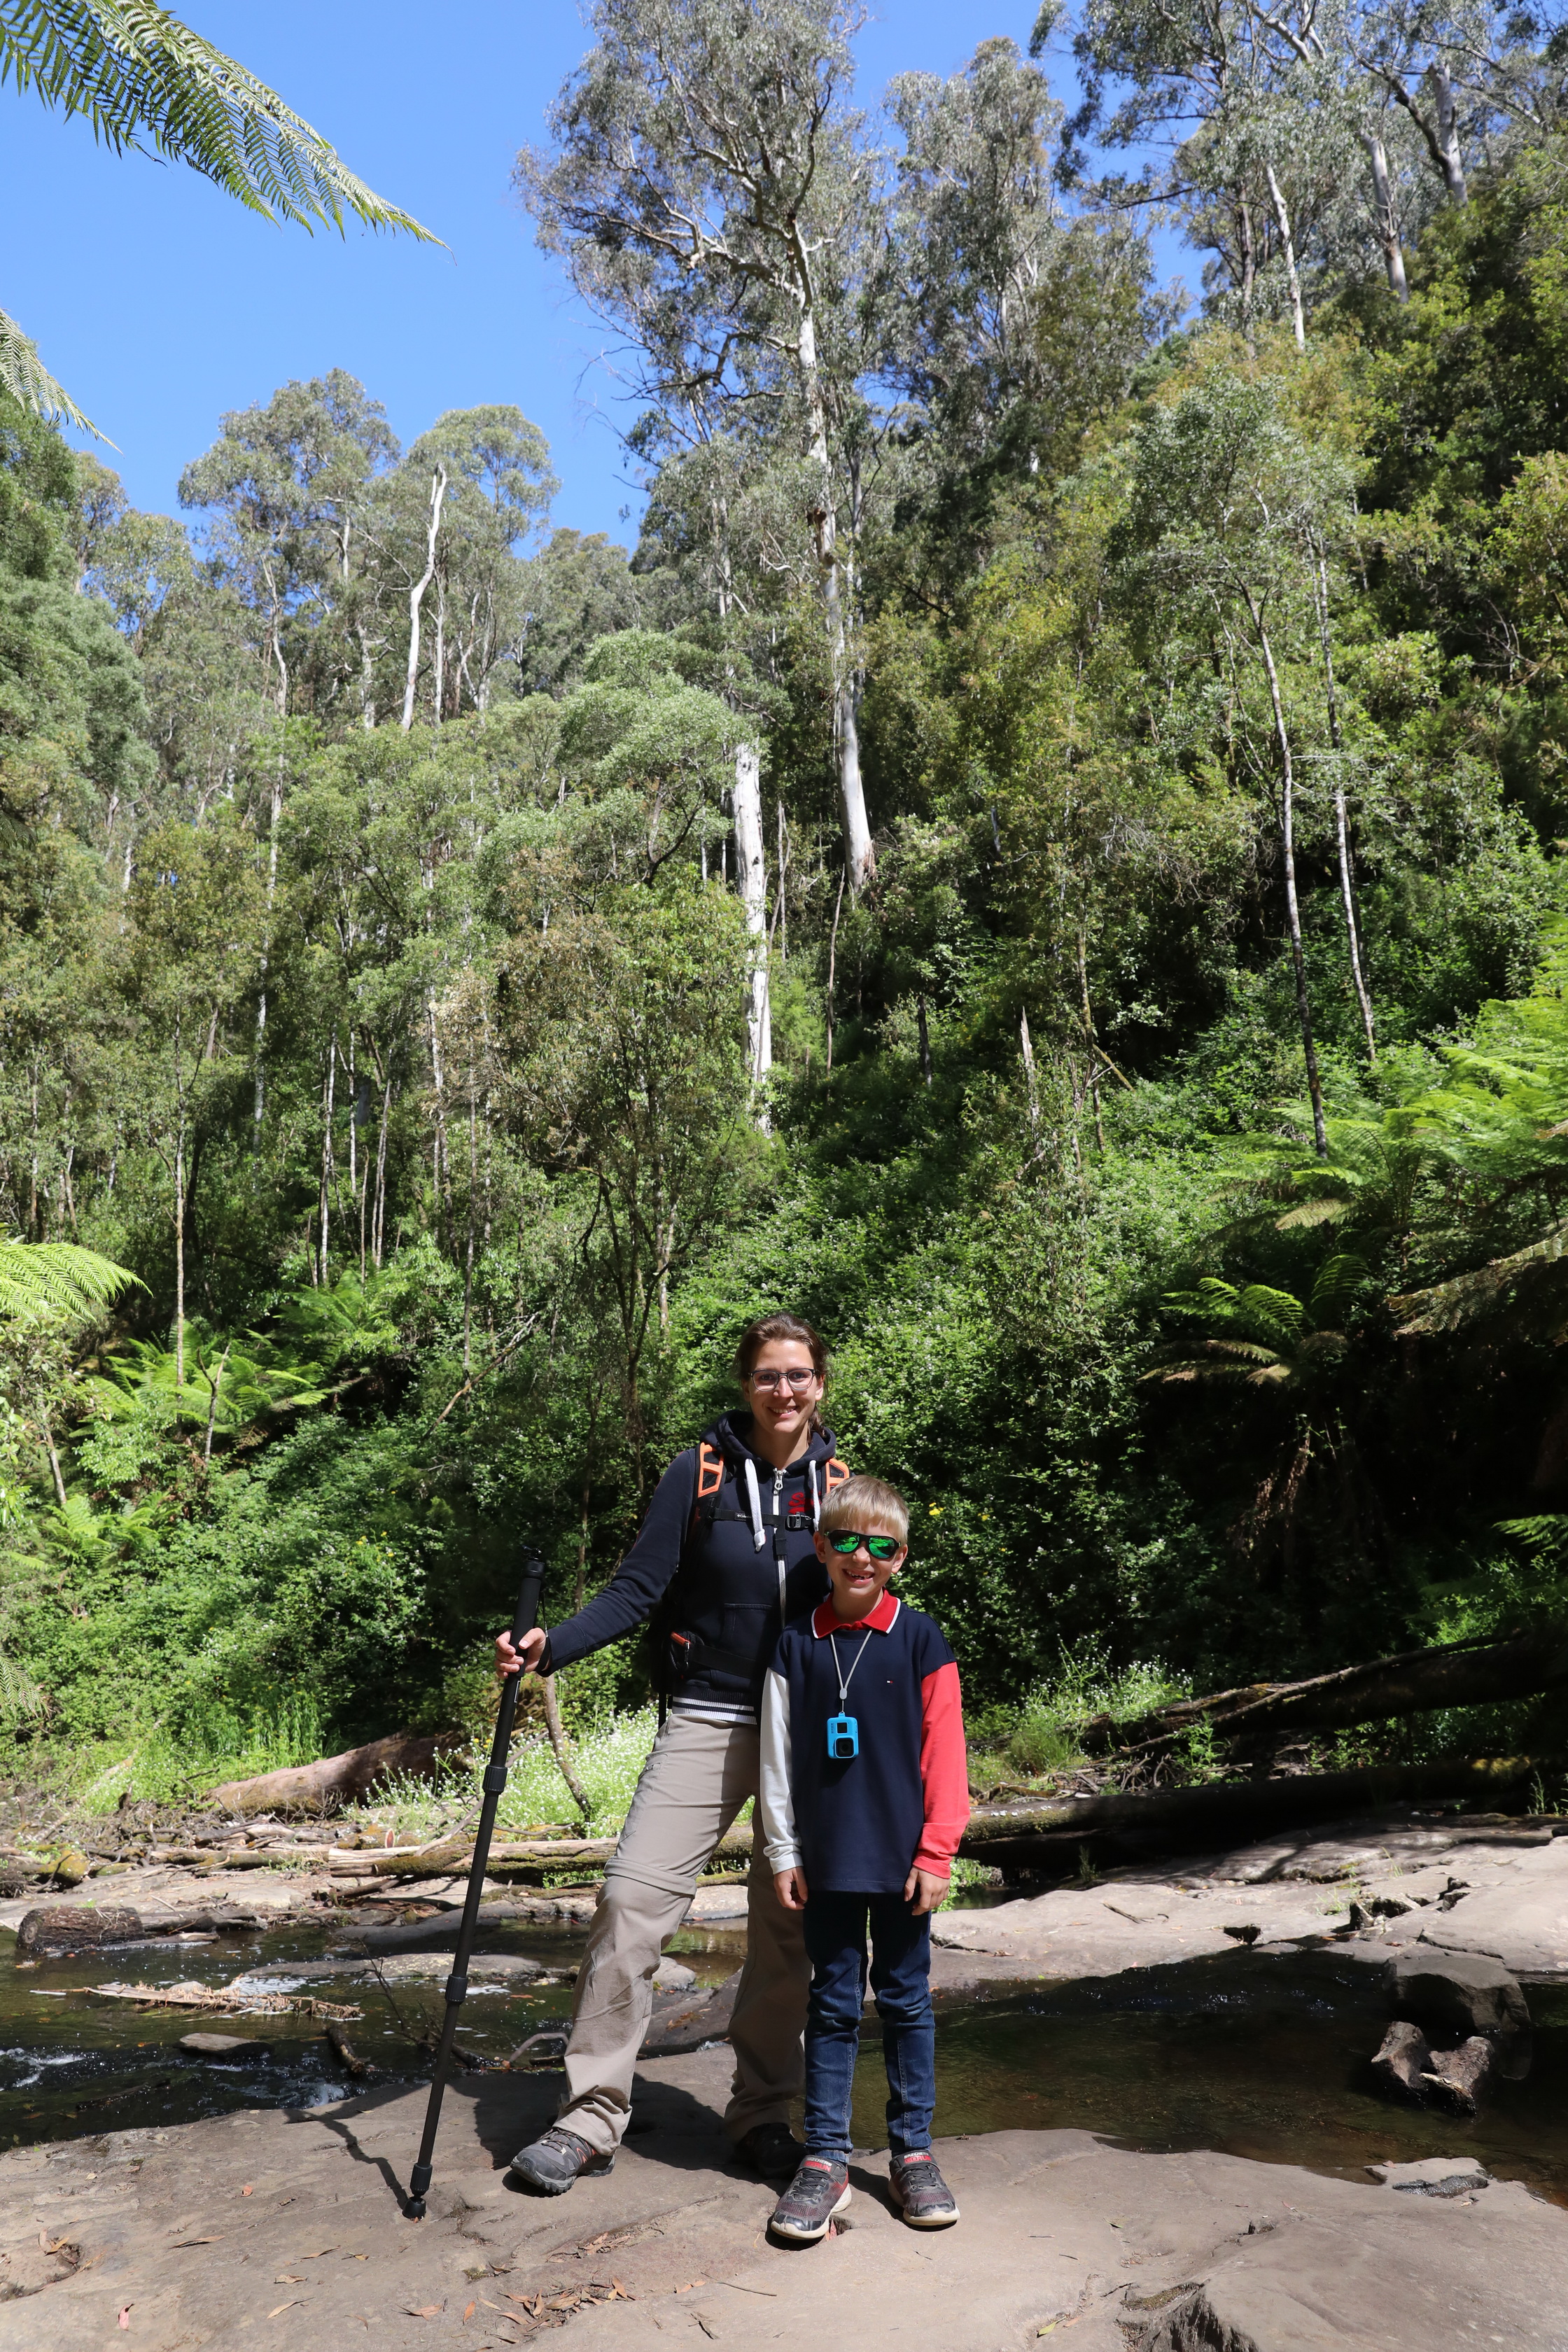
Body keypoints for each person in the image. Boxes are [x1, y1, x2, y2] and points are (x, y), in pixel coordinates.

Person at [495, 1312, 850, 2195]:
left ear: (820, 1385)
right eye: (767, 1375)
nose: (784, 1390)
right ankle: (589, 2114)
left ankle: (764, 2113)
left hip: (804, 1728)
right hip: (707, 1713)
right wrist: (551, 1647)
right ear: (745, 1384)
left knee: (788, 1926)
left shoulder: (840, 1485)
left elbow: (867, 1603)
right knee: (630, 1900)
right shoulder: (694, 1476)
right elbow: (637, 1591)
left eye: (798, 1375)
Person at [757, 1473, 969, 2242]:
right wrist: (783, 1849)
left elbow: (946, 1754)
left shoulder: (919, 1638)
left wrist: (937, 1851)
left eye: (879, 1547)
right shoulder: (794, 1646)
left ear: (899, 1558)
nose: (860, 1557)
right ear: (820, 1548)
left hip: (903, 1859)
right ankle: (824, 2162)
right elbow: (775, 1761)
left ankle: (913, 2153)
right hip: (826, 1859)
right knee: (833, 2005)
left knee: (907, 2002)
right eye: (844, 1541)